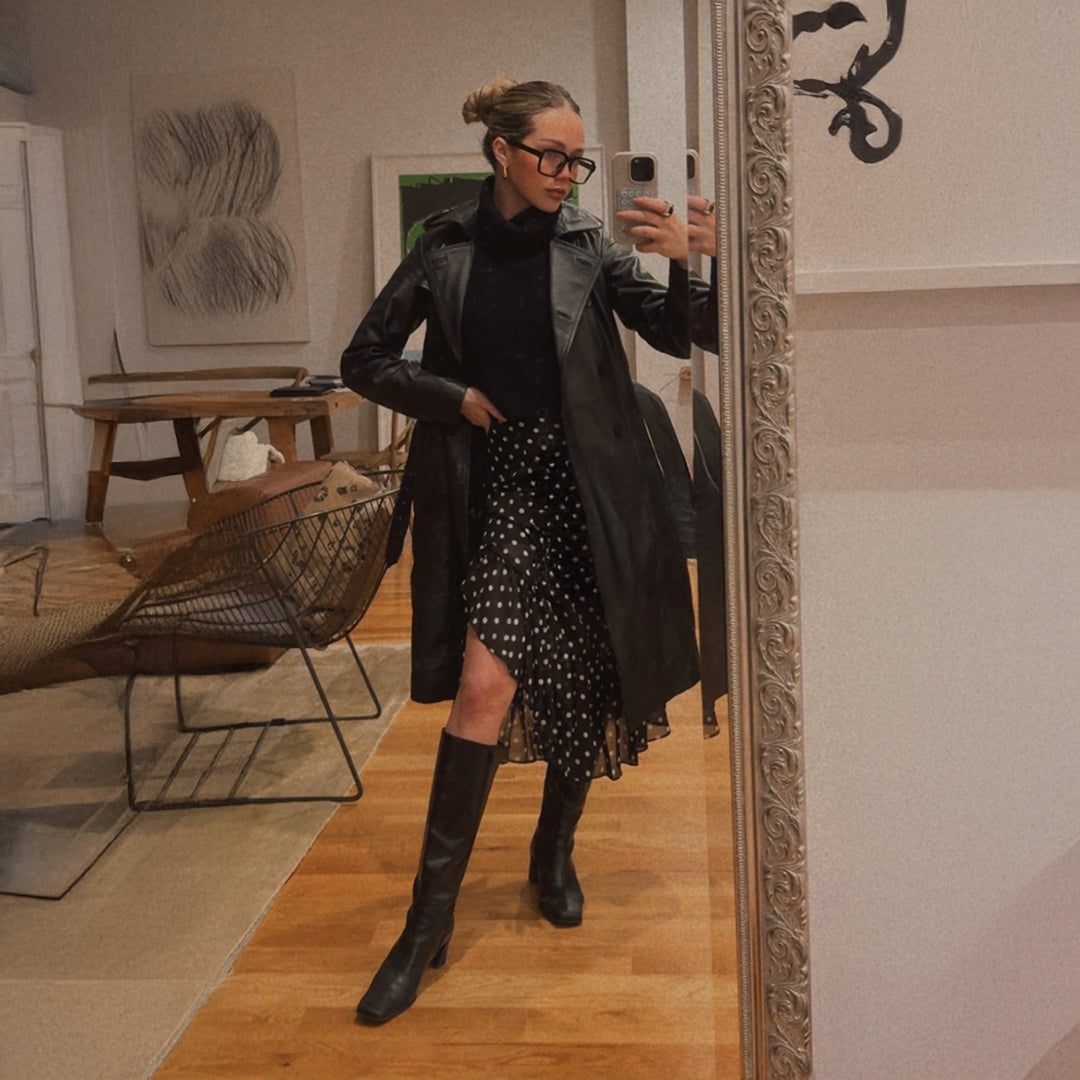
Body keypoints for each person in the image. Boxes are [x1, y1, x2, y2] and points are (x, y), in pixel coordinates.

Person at [341, 77, 699, 1025]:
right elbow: (363, 358)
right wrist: (448, 396)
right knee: (483, 689)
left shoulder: (589, 244)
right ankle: (426, 923)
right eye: (552, 156)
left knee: (582, 674)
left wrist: (685, 264)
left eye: (577, 160)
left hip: (589, 488)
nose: (567, 174)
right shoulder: (442, 248)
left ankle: (554, 851)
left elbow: (679, 330)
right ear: (501, 151)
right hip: (495, 489)